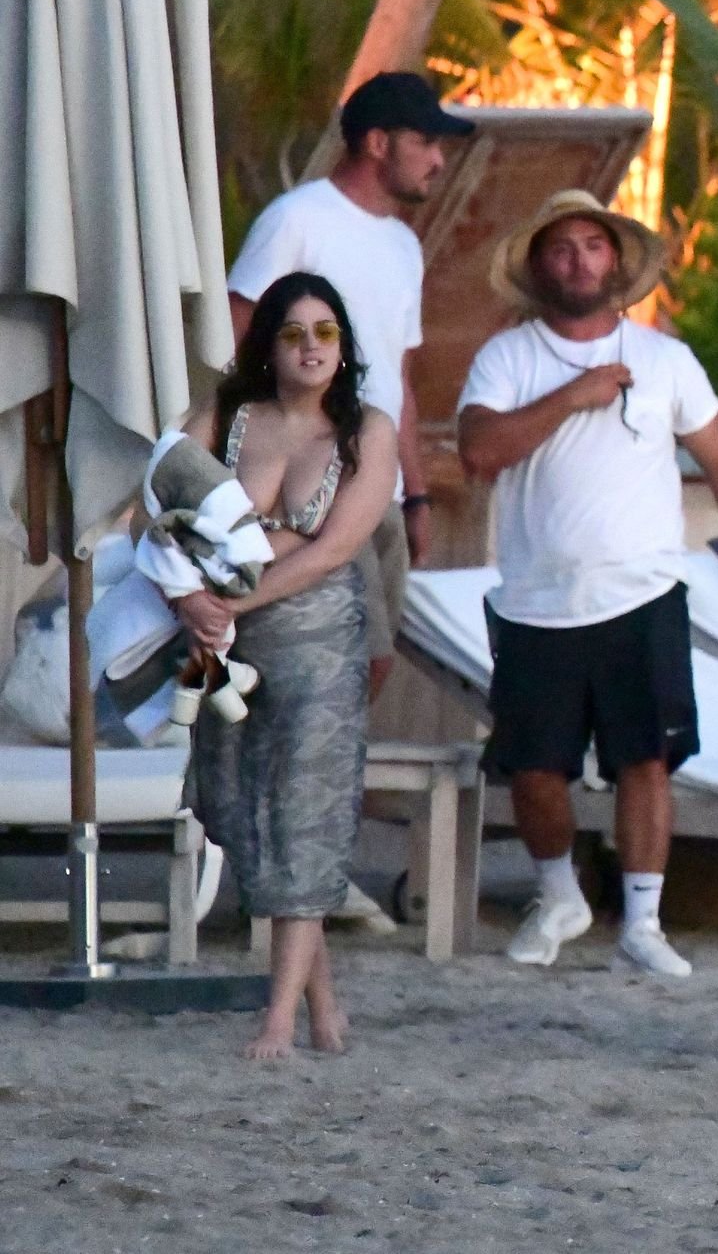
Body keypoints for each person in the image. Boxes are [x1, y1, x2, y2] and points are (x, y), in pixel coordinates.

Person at [456, 190, 718, 977]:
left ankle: (643, 921)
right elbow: (479, 451)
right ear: (538, 265)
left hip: (644, 591)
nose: (578, 261)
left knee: (647, 757)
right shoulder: (507, 357)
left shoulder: (665, 358)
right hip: (536, 599)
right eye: (561, 248)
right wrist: (575, 395)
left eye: (593, 246)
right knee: (533, 766)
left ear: (617, 260)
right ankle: (558, 895)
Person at [175, 272, 399, 1059]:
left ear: (343, 345)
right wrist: (190, 602)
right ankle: (323, 1002)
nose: (311, 347)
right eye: (294, 333)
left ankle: (277, 1019)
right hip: (215, 639)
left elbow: (334, 547)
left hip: (319, 639)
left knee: (305, 811)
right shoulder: (224, 418)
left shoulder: (367, 429)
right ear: (267, 347)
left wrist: (233, 599)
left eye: (325, 332)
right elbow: (152, 513)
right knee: (232, 804)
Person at [227, 71, 474, 700]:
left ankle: (330, 770)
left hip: (381, 488)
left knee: (373, 666)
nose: (439, 160)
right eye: (426, 141)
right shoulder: (296, 219)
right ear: (377, 143)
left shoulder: (403, 244)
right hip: (313, 484)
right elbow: (236, 338)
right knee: (346, 659)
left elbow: (399, 376)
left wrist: (416, 494)